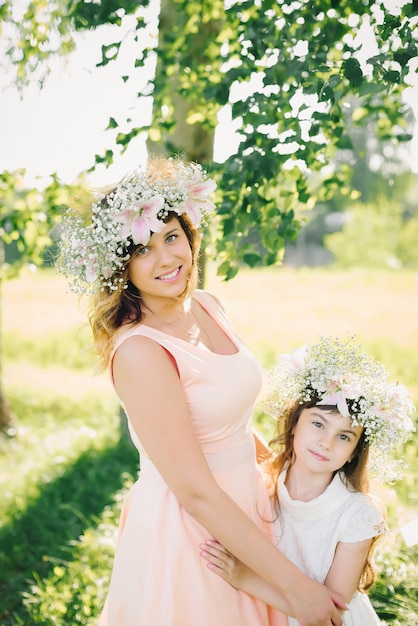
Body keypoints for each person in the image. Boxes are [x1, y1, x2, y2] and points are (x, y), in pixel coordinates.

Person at [57, 156, 347, 626]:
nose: (166, 258)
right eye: (142, 249)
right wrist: (296, 587)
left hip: (249, 509)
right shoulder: (140, 352)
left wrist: (291, 484)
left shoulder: (208, 306)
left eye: (171, 237)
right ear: (120, 266)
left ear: (189, 236)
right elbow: (194, 492)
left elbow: (229, 419)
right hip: (196, 532)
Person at [200, 336, 416, 625]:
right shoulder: (269, 477)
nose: (326, 443)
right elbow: (233, 432)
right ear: (293, 425)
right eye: (317, 424)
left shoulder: (358, 514)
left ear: (353, 453)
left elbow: (331, 613)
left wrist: (244, 578)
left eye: (344, 436)